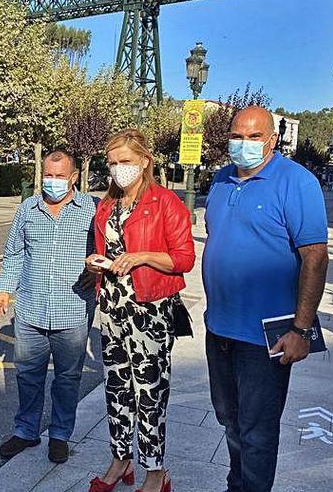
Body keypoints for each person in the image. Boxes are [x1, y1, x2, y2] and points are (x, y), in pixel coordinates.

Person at [203, 106, 329, 492]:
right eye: (237, 136)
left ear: (272, 140)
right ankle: (236, 484)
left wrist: (301, 330)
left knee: (257, 430)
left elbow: (315, 256)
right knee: (229, 419)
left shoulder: (297, 182)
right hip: (220, 327)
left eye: (254, 137)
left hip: (266, 337)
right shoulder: (222, 179)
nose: (244, 144)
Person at [85, 129, 195, 492]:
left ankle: (155, 473)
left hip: (150, 310)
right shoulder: (106, 205)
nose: (119, 169)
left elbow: (184, 259)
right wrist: (93, 265)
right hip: (112, 309)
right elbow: (103, 250)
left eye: (126, 162)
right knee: (116, 388)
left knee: (149, 392)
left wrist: (141, 257)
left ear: (144, 162)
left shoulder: (165, 203)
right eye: (113, 162)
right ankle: (120, 462)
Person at [0, 150, 97, 464]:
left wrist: (98, 272)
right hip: (30, 309)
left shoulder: (92, 209)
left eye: (59, 176)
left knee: (67, 378)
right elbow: (14, 253)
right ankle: (26, 430)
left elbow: (110, 249)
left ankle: (60, 434)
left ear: (74, 177)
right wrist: (4, 289)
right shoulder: (28, 209)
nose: (52, 182)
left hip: (74, 310)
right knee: (28, 375)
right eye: (47, 176)